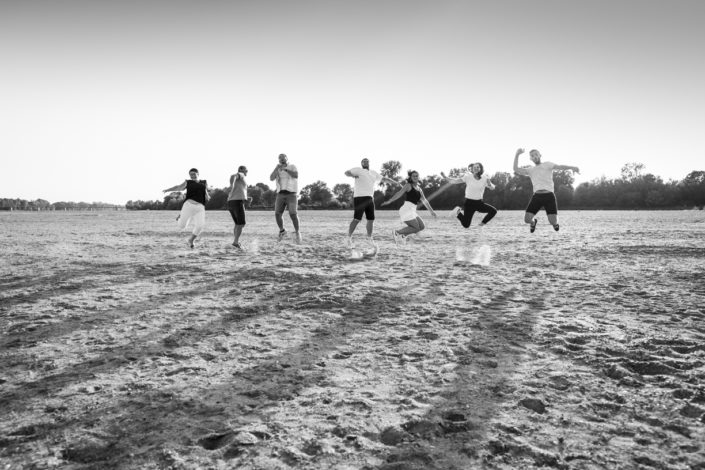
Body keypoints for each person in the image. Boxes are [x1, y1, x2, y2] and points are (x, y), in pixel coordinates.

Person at [513, 148, 580, 232]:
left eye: (536, 154)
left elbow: (559, 167)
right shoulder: (530, 170)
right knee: (527, 219)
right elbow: (516, 169)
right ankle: (533, 222)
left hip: (549, 196)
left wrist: (572, 167)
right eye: (532, 156)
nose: (535, 156)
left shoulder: (547, 164)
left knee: (552, 221)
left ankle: (555, 224)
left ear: (540, 155)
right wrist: (517, 154)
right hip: (537, 196)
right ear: (531, 159)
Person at [344, 157, 396, 246]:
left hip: (370, 198)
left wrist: (394, 182)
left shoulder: (373, 173)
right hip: (359, 197)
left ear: (369, 163)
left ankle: (369, 238)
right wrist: (352, 175)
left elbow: (384, 179)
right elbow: (347, 172)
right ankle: (348, 237)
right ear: (361, 164)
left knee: (371, 219)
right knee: (357, 219)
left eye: (366, 161)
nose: (365, 162)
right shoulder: (358, 170)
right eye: (363, 161)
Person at [381, 170, 437, 244]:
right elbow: (399, 193)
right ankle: (397, 232)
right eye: (413, 176)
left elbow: (425, 201)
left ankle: (403, 236)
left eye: (416, 176)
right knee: (416, 227)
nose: (415, 177)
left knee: (421, 226)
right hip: (406, 209)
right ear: (410, 177)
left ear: (418, 177)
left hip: (412, 210)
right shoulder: (408, 185)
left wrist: (431, 211)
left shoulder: (419, 189)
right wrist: (390, 200)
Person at [163, 168, 210, 248]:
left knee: (200, 226)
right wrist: (168, 190)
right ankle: (181, 216)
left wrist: (207, 196)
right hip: (188, 205)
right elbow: (178, 187)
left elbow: (205, 191)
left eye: (194, 174)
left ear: (198, 174)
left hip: (200, 207)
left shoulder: (204, 182)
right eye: (190, 174)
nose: (192, 176)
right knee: (182, 226)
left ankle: (191, 240)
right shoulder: (188, 182)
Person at [444, 162, 497, 229]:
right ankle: (457, 212)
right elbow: (454, 181)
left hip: (479, 203)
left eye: (478, 167)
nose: (476, 168)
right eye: (474, 167)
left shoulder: (485, 178)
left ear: (481, 169)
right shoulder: (468, 177)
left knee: (493, 211)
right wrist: (445, 177)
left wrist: (489, 184)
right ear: (472, 169)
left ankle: (481, 225)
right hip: (469, 203)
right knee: (466, 225)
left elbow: (492, 188)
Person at [269, 153, 301, 243]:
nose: (282, 159)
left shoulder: (292, 166)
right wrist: (276, 169)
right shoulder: (277, 168)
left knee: (293, 214)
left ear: (287, 158)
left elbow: (296, 175)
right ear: (278, 160)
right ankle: (282, 231)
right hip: (280, 193)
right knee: (277, 213)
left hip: (291, 194)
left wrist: (286, 169)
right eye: (280, 158)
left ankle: (297, 232)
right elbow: (271, 178)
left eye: (283, 158)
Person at [227, 165, 249, 249]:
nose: (247, 172)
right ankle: (235, 242)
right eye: (246, 170)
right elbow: (233, 176)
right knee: (241, 223)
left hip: (231, 202)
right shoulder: (241, 174)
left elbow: (239, 190)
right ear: (241, 170)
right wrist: (231, 185)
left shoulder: (240, 180)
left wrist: (246, 198)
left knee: (237, 224)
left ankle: (235, 241)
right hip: (237, 202)